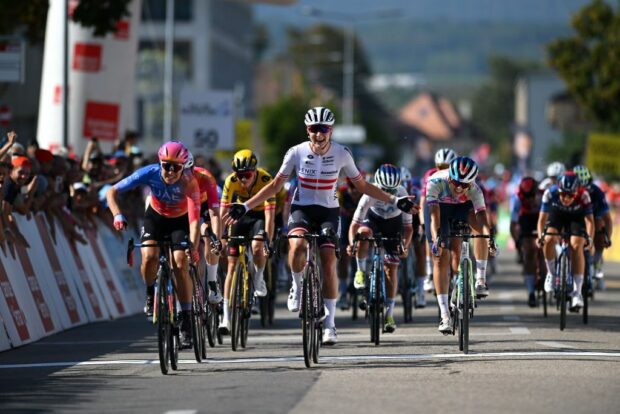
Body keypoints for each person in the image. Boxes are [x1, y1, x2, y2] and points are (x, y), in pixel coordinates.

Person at [223, 106, 417, 345]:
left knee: (328, 261)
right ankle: (296, 286)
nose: (319, 134)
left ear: (330, 130)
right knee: (296, 246)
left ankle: (330, 324)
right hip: (302, 208)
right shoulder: (295, 152)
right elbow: (275, 186)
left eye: (323, 129)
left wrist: (396, 200)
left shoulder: (342, 153)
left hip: (328, 210)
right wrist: (244, 206)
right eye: (314, 129)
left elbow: (363, 186)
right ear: (308, 130)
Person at [106, 141, 201, 349]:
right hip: (156, 218)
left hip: (180, 221)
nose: (170, 171)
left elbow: (194, 223)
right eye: (166, 165)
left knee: (180, 262)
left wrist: (192, 247)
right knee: (149, 256)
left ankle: (186, 319)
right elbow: (111, 191)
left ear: (183, 167)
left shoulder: (190, 183)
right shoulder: (150, 172)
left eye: (176, 167)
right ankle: (151, 292)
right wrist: (117, 214)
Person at [426, 156, 495, 334]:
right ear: (450, 176)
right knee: (440, 256)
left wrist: (489, 237)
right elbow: (434, 216)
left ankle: (480, 278)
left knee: (479, 228)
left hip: (461, 208)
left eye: (464, 185)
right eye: (456, 182)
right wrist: (436, 240)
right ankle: (444, 315)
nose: (459, 188)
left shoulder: (475, 190)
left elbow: (482, 216)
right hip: (440, 207)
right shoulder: (435, 182)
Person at [348, 164, 414, 333]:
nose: (389, 193)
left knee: (391, 268)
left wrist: (405, 246)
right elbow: (354, 225)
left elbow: (408, 228)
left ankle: (389, 315)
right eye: (385, 189)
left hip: (394, 225)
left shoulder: (402, 194)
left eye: (391, 190)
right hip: (374, 220)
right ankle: (360, 272)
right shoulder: (369, 193)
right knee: (363, 234)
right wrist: (351, 244)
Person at [218, 149, 273, 335]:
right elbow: (223, 212)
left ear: (255, 171)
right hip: (239, 216)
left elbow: (269, 215)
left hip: (258, 215)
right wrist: (221, 238)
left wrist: (269, 240)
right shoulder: (231, 181)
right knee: (231, 266)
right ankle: (225, 318)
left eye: (247, 175)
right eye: (239, 175)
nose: (242, 180)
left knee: (258, 247)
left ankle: (258, 278)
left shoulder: (265, 179)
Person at [538, 172, 594, 311]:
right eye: (563, 194)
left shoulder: (584, 196)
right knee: (549, 238)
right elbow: (541, 220)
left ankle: (577, 292)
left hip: (576, 217)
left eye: (570, 195)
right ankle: (551, 274)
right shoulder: (550, 194)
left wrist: (590, 240)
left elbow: (590, 222)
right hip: (557, 215)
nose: (566, 198)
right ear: (558, 190)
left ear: (577, 192)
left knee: (577, 245)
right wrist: (541, 237)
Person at [186, 152, 223, 304]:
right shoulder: (175, 178)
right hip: (186, 208)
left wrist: (217, 239)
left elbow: (215, 215)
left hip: (205, 208)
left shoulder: (205, 177)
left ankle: (212, 281)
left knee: (208, 235)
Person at [420, 148, 457, 293]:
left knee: (456, 244)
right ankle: (430, 273)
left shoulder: (459, 175)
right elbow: (424, 200)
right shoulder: (430, 175)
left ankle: (457, 276)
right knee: (432, 237)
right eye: (441, 167)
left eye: (447, 167)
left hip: (452, 208)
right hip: (434, 205)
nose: (444, 171)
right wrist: (423, 222)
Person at [574, 165, 612, 288]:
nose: (584, 192)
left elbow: (607, 218)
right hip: (576, 215)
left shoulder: (597, 192)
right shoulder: (569, 191)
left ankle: (597, 262)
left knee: (600, 225)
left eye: (587, 188)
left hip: (593, 216)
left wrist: (608, 237)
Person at [509, 176, 542, 307]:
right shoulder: (517, 199)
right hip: (526, 220)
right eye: (526, 196)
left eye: (531, 196)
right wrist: (517, 241)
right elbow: (513, 224)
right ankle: (531, 292)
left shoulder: (542, 196)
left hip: (541, 218)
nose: (529, 199)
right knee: (529, 253)